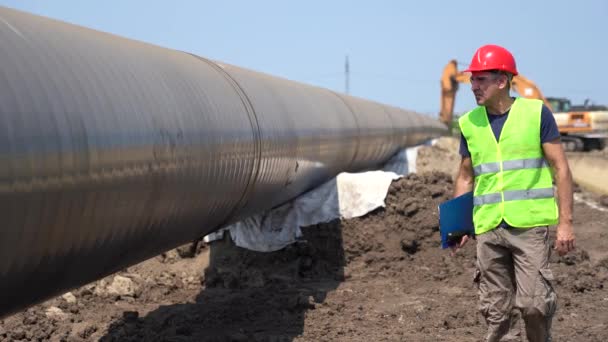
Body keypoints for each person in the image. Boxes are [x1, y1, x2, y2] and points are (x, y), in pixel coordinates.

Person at [451, 44, 575, 342]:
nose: (473, 86)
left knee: (533, 306)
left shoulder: (536, 113)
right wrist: (458, 225)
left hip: (529, 227)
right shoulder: (469, 123)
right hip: (489, 228)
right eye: (473, 79)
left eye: (481, 79)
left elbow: (561, 169)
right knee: (497, 313)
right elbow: (466, 176)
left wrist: (566, 224)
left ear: (502, 81)